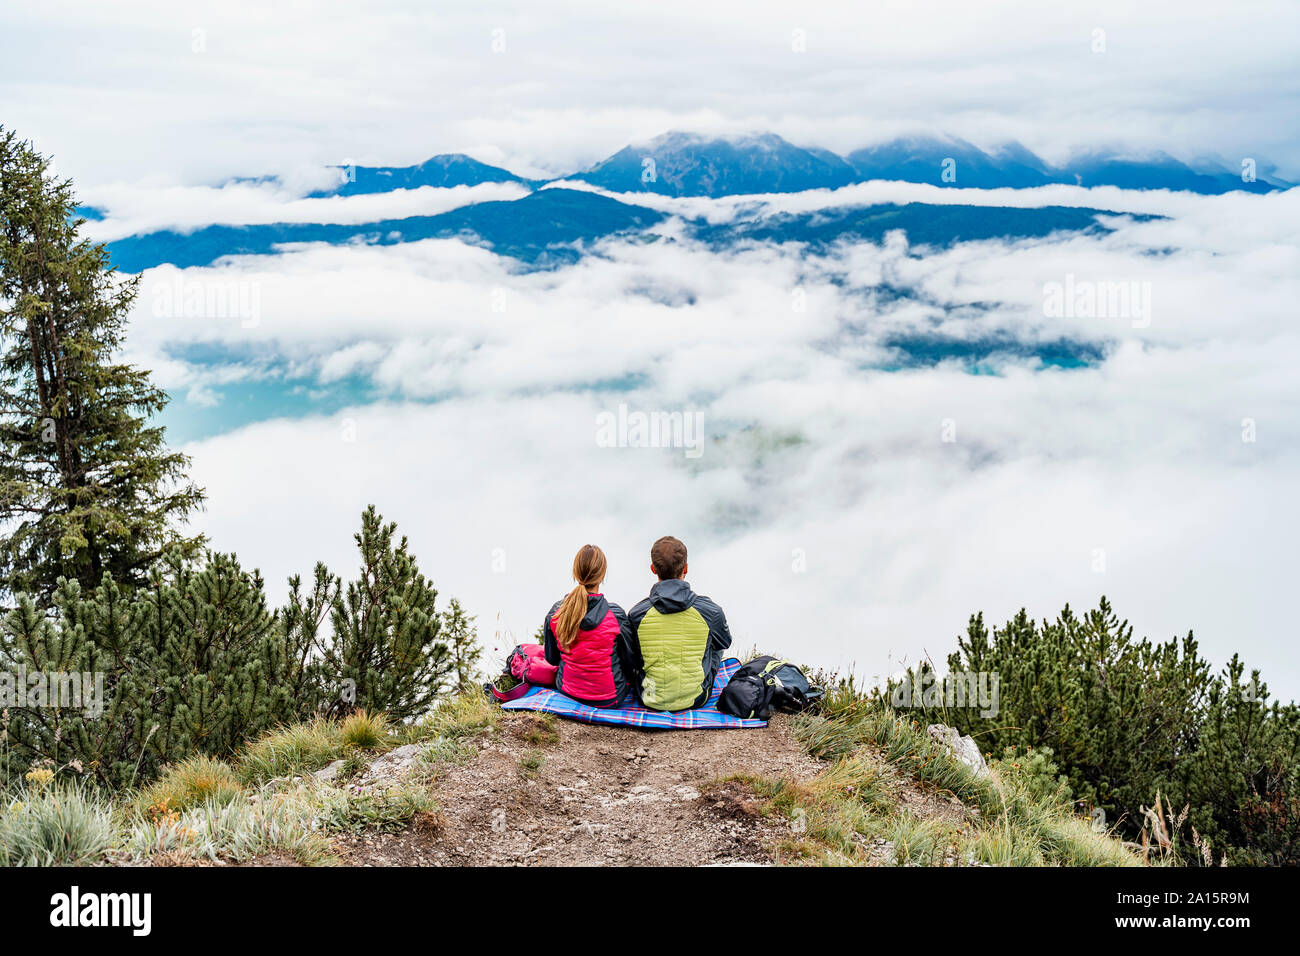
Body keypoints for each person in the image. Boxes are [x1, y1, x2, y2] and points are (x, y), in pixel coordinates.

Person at [626, 535, 732, 711]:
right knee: (716, 642)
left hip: (649, 698)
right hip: (697, 698)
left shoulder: (637, 614)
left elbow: (632, 658)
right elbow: (725, 643)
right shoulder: (710, 611)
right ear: (686, 568)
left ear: (653, 569)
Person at [524, 544, 633, 706]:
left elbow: (552, 659)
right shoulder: (616, 615)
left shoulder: (557, 612)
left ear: (575, 573)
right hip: (610, 698)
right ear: (603, 575)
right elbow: (629, 662)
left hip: (568, 692)